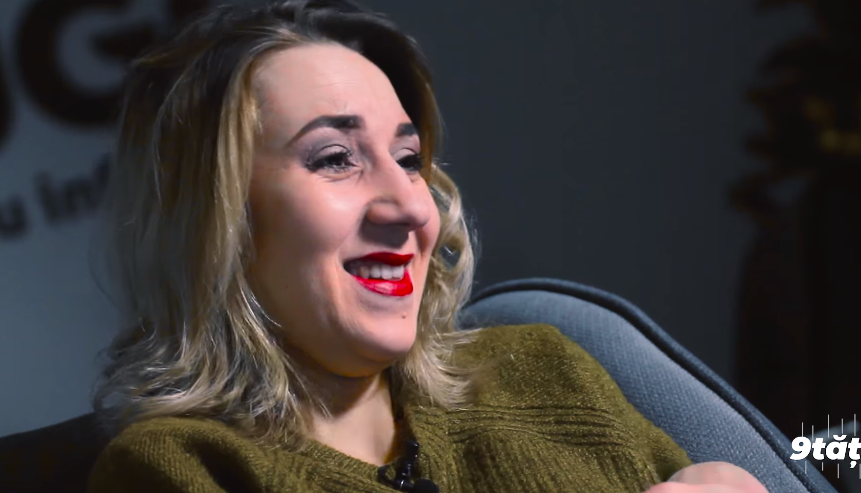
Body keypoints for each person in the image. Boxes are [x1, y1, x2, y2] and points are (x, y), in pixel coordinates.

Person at [86, 1, 769, 492]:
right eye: (335, 158)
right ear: (216, 219)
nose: (413, 207)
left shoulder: (545, 368)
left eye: (408, 159)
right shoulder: (176, 469)